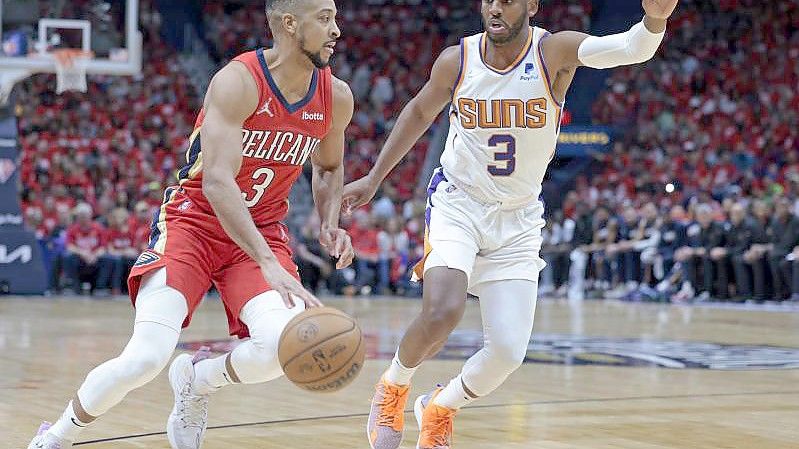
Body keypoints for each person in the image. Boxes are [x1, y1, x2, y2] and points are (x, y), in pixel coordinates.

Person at [343, 1, 678, 448]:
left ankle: (441, 405)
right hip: (459, 203)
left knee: (506, 353)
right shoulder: (457, 59)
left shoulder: (554, 52)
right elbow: (420, 113)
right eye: (489, 0)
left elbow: (629, 48)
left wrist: (654, 19)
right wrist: (374, 177)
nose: (495, 7)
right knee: (443, 309)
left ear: (531, 5)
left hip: (519, 218)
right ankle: (393, 385)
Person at [28, 1, 354, 449]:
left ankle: (198, 381)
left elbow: (330, 167)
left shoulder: (335, 96)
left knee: (282, 348)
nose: (337, 29)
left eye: (335, 16)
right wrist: (269, 262)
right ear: (289, 23)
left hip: (258, 234)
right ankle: (56, 437)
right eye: (324, 18)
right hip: (193, 225)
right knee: (144, 358)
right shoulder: (238, 82)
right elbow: (219, 184)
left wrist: (329, 222)